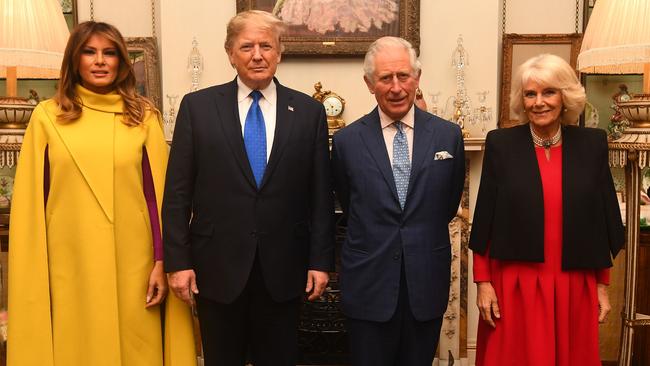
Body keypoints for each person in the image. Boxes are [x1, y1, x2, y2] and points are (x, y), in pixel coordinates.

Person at [7, 21, 196, 365]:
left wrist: (160, 261)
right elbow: (33, 203)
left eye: (109, 53)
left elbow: (159, 201)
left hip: (135, 266)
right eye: (89, 52)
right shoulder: (47, 117)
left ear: (121, 62)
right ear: (74, 60)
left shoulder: (143, 117)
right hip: (69, 262)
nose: (100, 61)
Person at [162, 10, 334, 366]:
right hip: (216, 268)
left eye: (266, 45)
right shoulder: (197, 108)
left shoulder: (307, 112)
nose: (258, 54)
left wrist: (320, 261)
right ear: (230, 53)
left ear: (279, 52)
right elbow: (177, 193)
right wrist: (178, 262)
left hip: (284, 269)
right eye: (247, 46)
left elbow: (320, 195)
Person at [469, 53, 624, 366]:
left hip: (574, 282)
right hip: (515, 284)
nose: (539, 102)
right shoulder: (501, 144)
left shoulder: (592, 144)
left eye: (548, 92)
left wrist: (601, 286)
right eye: (530, 94)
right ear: (522, 100)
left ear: (565, 96)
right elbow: (484, 219)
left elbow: (600, 221)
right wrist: (483, 284)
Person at [331, 36, 465, 366]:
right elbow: (350, 204)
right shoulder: (347, 141)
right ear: (369, 83)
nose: (396, 87)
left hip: (426, 282)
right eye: (385, 78)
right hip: (368, 282)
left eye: (403, 76)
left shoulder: (447, 136)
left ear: (417, 77)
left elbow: (448, 203)